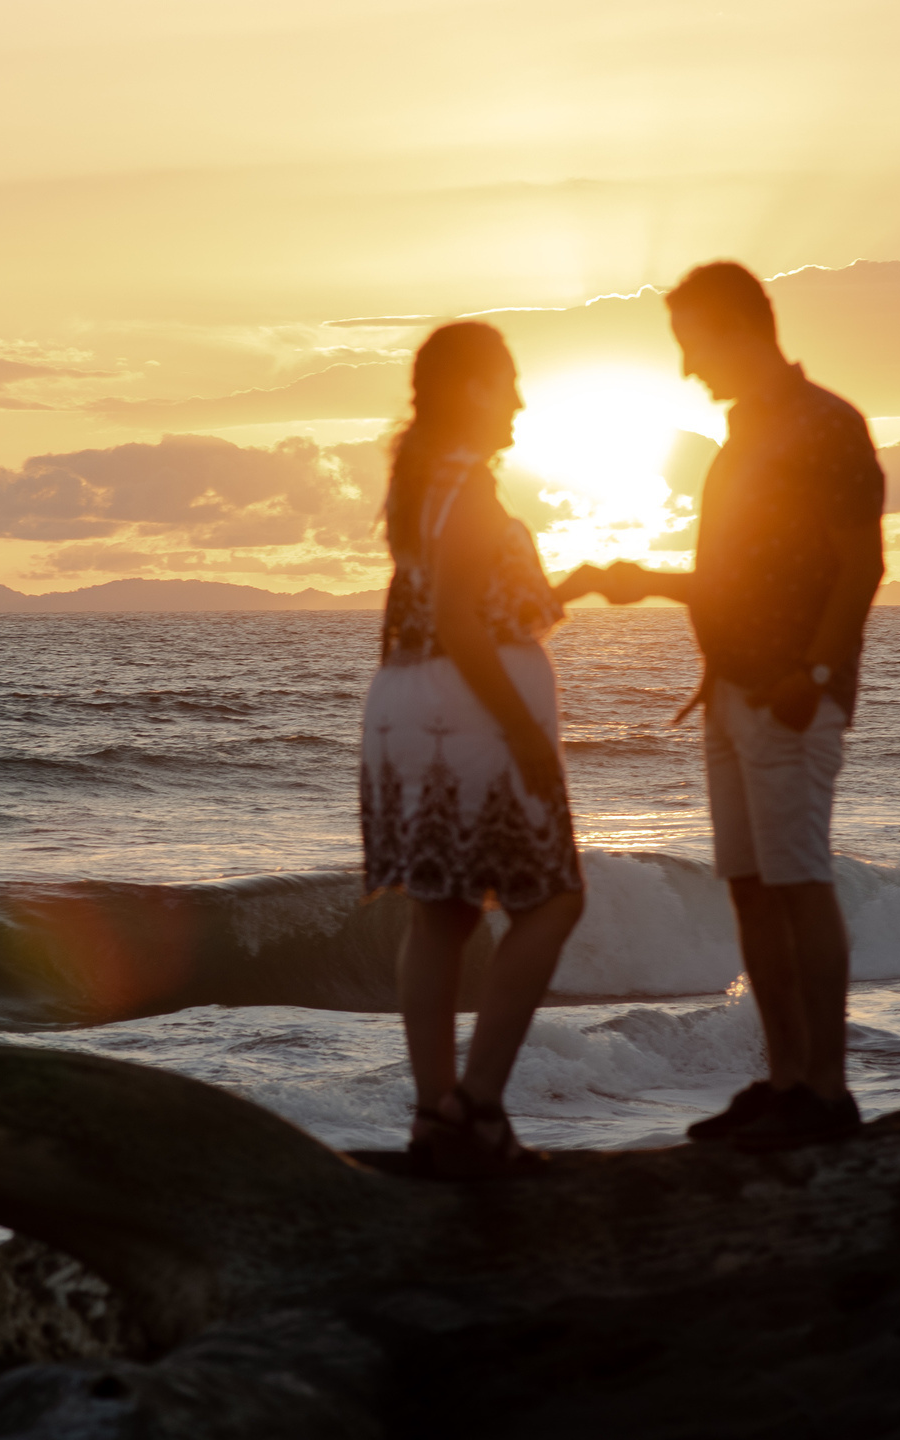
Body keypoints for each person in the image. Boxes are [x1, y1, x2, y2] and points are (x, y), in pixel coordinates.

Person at [578, 262, 886, 1151]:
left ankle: (825, 1092)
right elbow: (733, 579)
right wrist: (646, 580)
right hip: (729, 692)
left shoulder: (826, 425)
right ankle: (783, 1079)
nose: (687, 367)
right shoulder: (744, 436)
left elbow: (861, 564)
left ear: (740, 329)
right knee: (751, 889)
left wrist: (814, 674)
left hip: (790, 697)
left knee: (798, 883)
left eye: (693, 345)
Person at [361, 320, 595, 1179]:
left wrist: (577, 585)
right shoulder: (464, 485)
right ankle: (479, 1106)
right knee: (554, 900)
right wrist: (524, 732)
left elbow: (451, 607)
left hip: (414, 706)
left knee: (445, 912)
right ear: (469, 389)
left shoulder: (427, 481)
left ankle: (436, 1118)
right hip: (465, 720)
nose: (521, 401)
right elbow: (462, 624)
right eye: (509, 383)